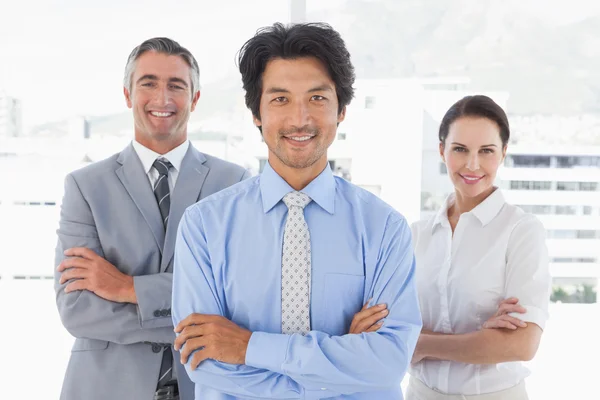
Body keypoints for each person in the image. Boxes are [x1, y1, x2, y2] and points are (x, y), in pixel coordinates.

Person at [171, 22, 422, 400]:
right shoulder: (204, 226)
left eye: (318, 98)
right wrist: (340, 361)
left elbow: (387, 362)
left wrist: (249, 346)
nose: (300, 119)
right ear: (256, 113)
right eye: (280, 99)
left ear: (342, 110)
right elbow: (204, 362)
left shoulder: (385, 228)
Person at [54, 37, 250, 400]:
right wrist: (198, 318)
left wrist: (128, 289)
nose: (162, 99)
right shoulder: (85, 186)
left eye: (176, 85)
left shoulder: (234, 184)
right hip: (105, 389)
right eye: (149, 84)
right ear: (128, 94)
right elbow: (78, 310)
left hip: (207, 388)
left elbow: (239, 299)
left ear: (195, 99)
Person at [407, 95, 551, 400]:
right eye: (460, 149)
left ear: (503, 153)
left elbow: (521, 345)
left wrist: (419, 343)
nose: (472, 164)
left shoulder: (521, 231)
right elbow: (384, 331)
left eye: (486, 151)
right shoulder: (417, 235)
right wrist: (480, 339)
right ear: (442, 150)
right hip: (419, 394)